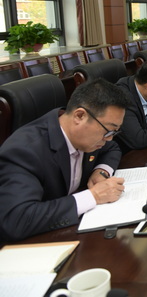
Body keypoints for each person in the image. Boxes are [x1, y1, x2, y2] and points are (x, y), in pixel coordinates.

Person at [0, 78, 131, 241]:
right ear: (80, 116)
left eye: (114, 133)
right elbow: (17, 219)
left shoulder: (87, 137)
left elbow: (112, 149)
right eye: (108, 131)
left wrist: (101, 171)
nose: (109, 139)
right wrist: (93, 196)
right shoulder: (24, 151)